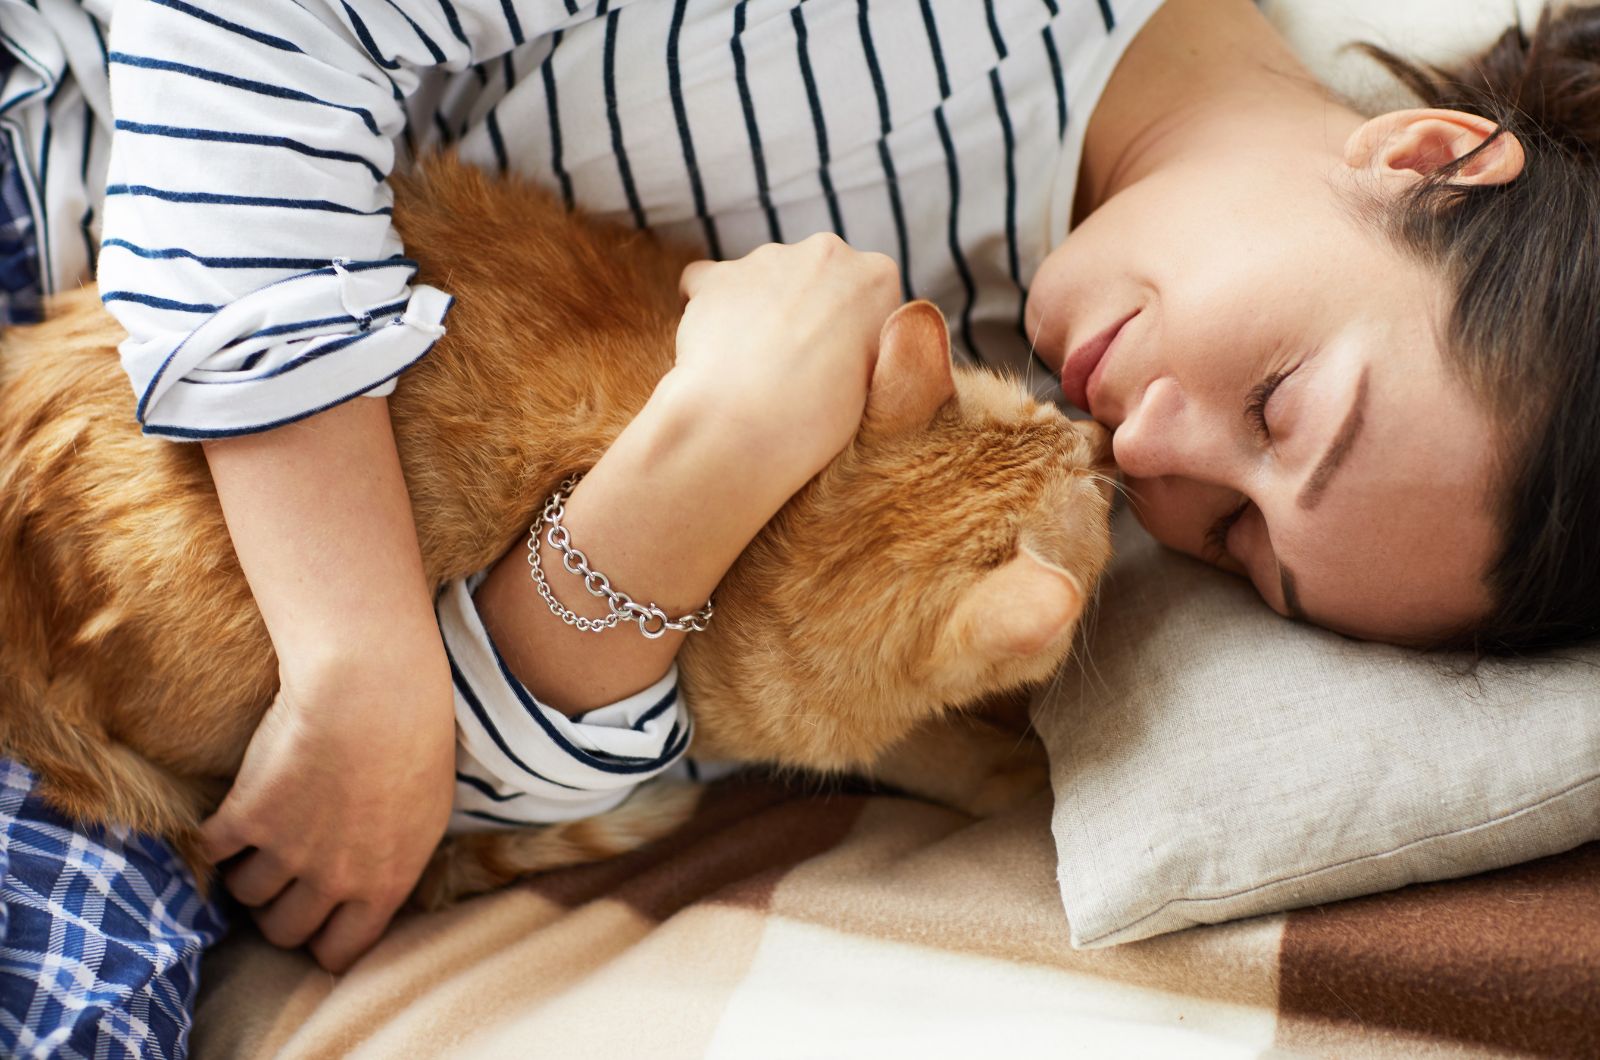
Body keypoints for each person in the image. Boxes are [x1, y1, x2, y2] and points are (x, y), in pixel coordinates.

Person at [0, 0, 1594, 1055]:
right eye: (1285, 402)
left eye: (1243, 547)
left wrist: (699, 470)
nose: (1159, 461)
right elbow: (240, 24)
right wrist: (361, 651)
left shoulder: (1020, 446)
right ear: (1427, 160)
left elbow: (390, 804)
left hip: (99, 566)